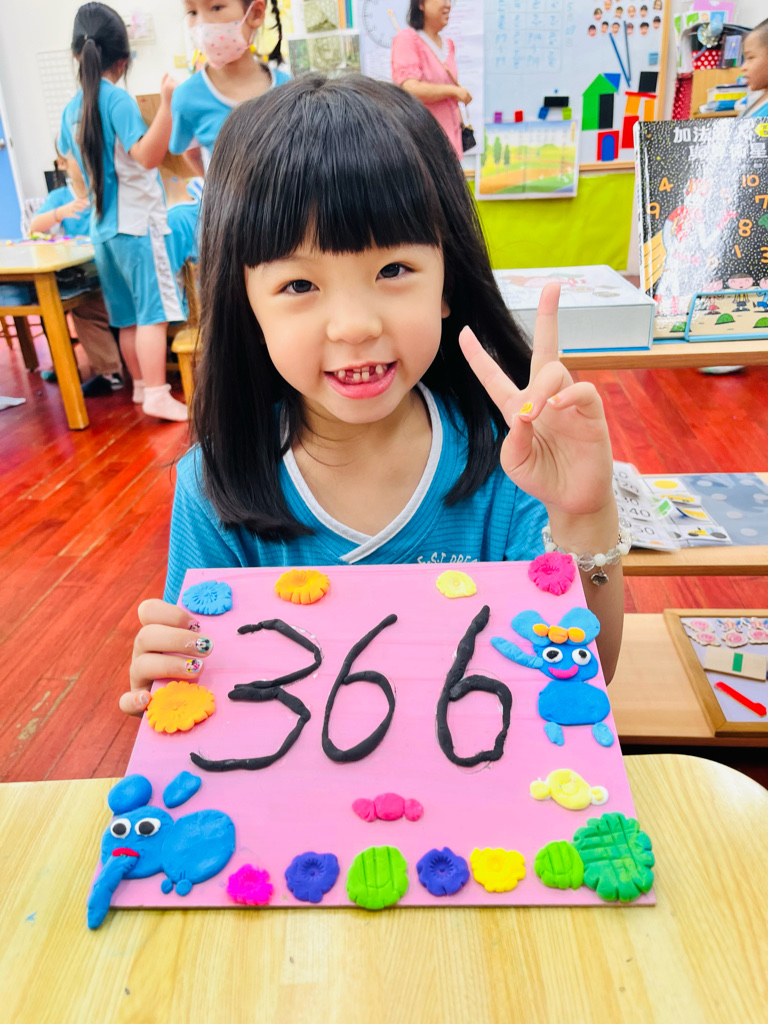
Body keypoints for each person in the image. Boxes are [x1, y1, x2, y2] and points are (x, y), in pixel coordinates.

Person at [122, 74, 625, 716]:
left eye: (393, 270)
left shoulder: (511, 459)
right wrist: (174, 672)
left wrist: (584, 514)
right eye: (299, 285)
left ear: (447, 282)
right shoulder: (216, 483)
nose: (354, 325)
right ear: (247, 305)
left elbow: (586, 672)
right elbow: (203, 674)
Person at [59, 3, 189, 421]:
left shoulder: (70, 110)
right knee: (153, 314)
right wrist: (167, 104)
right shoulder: (117, 100)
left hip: (102, 231)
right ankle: (157, 393)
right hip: (137, 225)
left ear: (77, 54)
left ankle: (141, 387)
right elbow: (148, 157)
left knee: (129, 318)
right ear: (123, 59)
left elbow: (75, 174)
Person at [170, 0, 290, 175]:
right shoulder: (187, 97)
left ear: (255, 13)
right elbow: (191, 153)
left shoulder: (289, 90)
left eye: (216, 8)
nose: (202, 24)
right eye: (192, 12)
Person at [391, 0, 470, 158]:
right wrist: (454, 91)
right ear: (421, 4)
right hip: (424, 144)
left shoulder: (448, 44)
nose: (448, 4)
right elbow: (410, 88)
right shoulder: (407, 39)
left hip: (451, 141)